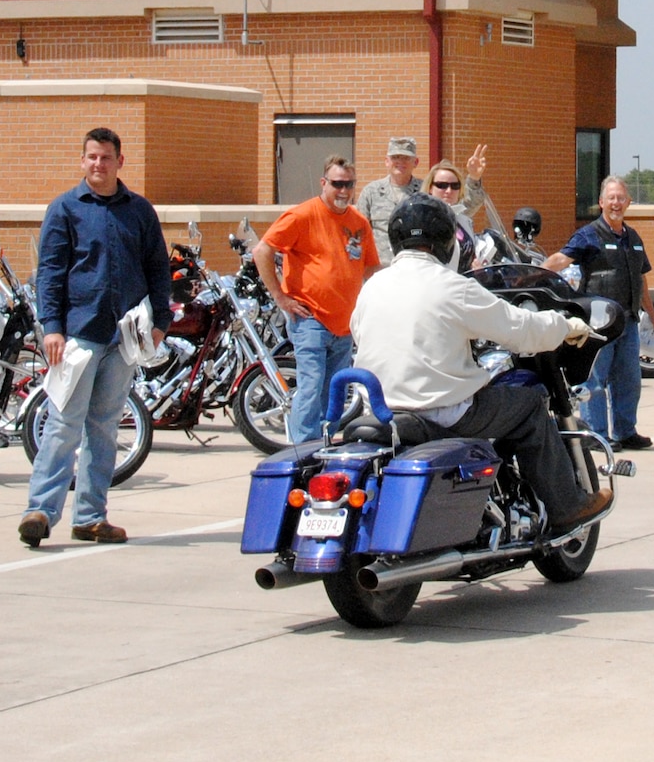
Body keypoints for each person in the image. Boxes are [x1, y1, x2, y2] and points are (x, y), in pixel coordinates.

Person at [351, 194, 608, 531]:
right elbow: (520, 329)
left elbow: (359, 332)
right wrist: (564, 326)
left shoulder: (373, 286)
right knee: (529, 405)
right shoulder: (452, 287)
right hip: (442, 410)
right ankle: (566, 507)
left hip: (382, 409)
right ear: (446, 240)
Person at [18, 128, 170, 549]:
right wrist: (52, 327)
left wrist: (160, 323)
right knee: (63, 424)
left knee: (103, 429)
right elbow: (49, 273)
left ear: (120, 161)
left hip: (124, 339)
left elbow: (159, 269)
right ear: (81, 161)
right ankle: (40, 511)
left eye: (105, 158)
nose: (97, 165)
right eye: (91, 158)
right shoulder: (65, 209)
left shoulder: (139, 211)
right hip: (77, 337)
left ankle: (90, 517)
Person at [254, 155, 379, 444]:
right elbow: (263, 251)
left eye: (349, 184)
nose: (344, 190)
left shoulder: (359, 223)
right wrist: (280, 298)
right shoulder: (302, 215)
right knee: (310, 386)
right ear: (324, 183)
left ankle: (323, 446)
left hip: (344, 325)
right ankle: (303, 450)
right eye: (337, 184)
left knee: (333, 392)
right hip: (310, 319)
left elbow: (371, 268)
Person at [546, 175, 654, 451]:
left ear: (628, 202)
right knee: (595, 380)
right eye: (611, 198)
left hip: (628, 322)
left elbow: (641, 278)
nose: (616, 203)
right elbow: (561, 259)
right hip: (598, 322)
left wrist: (653, 314)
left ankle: (625, 431)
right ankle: (597, 434)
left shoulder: (633, 238)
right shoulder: (589, 234)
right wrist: (532, 278)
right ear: (601, 202)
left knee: (629, 381)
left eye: (621, 198)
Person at [356, 137, 422, 265]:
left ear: (416, 162)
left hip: (413, 267)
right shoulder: (371, 192)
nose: (400, 162)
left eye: (406, 158)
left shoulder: (424, 192)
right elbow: (359, 232)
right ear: (387, 161)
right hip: (379, 268)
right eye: (395, 157)